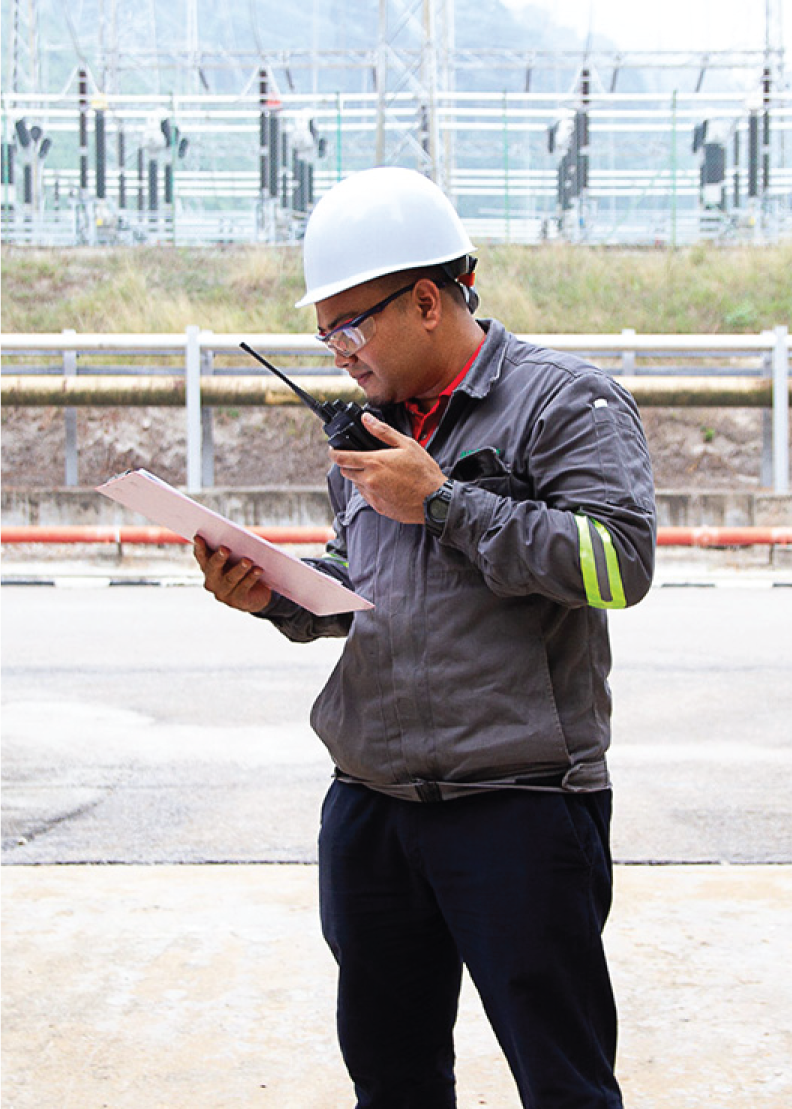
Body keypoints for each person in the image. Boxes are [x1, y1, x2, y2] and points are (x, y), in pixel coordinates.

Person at [194, 166, 656, 1108]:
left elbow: (619, 564)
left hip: (520, 808)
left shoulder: (564, 402)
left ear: (426, 301)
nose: (336, 351)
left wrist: (442, 502)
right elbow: (358, 591)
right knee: (392, 1076)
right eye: (323, 332)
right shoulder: (369, 432)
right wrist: (275, 593)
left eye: (349, 326)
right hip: (372, 807)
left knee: (563, 1081)